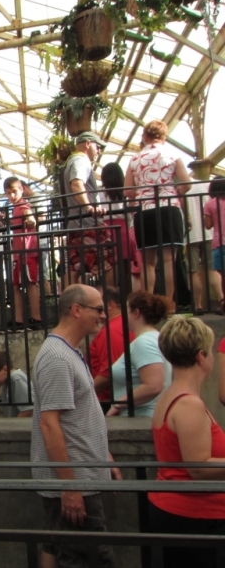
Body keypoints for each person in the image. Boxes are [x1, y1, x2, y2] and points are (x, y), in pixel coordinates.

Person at [30, 284, 122, 568]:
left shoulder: (67, 352)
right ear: (77, 310)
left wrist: (103, 454)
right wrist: (70, 487)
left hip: (79, 473)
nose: (103, 315)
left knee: (56, 546)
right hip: (75, 478)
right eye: (99, 309)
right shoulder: (58, 358)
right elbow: (50, 425)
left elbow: (77, 415)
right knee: (95, 562)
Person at [149, 315, 225, 568]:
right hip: (195, 516)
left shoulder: (171, 396)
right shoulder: (188, 404)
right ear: (201, 356)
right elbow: (198, 467)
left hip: (178, 511)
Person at [125, 120, 192, 309]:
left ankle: (148, 304)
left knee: (148, 262)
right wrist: (174, 192)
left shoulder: (135, 159)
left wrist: (142, 192)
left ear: (145, 136)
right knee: (169, 259)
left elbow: (127, 190)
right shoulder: (172, 155)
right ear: (163, 136)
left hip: (144, 211)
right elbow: (186, 184)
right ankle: (169, 304)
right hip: (169, 208)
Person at [61, 132, 115, 285]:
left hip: (75, 226)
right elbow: (76, 184)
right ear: (88, 144)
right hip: (90, 225)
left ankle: (70, 299)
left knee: (75, 268)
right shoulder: (81, 160)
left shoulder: (71, 162)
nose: (99, 151)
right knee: (108, 265)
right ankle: (108, 298)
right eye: (98, 147)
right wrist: (89, 207)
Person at [106, 291, 171, 418]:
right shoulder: (155, 338)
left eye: (126, 311)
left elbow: (154, 385)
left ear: (136, 313)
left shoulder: (144, 342)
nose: (122, 316)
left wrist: (119, 403)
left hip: (142, 416)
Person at [5, 177, 42, 328]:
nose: (12, 196)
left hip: (26, 251)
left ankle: (36, 317)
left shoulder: (23, 206)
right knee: (17, 285)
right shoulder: (16, 208)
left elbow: (29, 215)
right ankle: (19, 319)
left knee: (30, 283)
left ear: (21, 189)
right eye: (8, 193)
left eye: (14, 191)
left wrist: (31, 220)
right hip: (20, 252)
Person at [89, 287, 134, 407]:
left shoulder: (111, 331)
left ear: (110, 305)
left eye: (97, 308)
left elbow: (108, 372)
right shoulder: (123, 324)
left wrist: (82, 395)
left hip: (108, 400)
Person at [186, 180, 219, 313]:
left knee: (193, 271)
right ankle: (222, 299)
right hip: (209, 233)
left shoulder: (182, 187)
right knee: (212, 269)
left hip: (191, 234)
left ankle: (198, 305)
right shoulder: (205, 185)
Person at [0, 350, 33, 417]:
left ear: (5, 369)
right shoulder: (7, 381)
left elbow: (28, 409)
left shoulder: (15, 377)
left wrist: (14, 423)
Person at [203, 177, 225, 305]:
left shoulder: (210, 204)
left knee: (221, 273)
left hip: (219, 243)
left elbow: (208, 225)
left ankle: (223, 300)